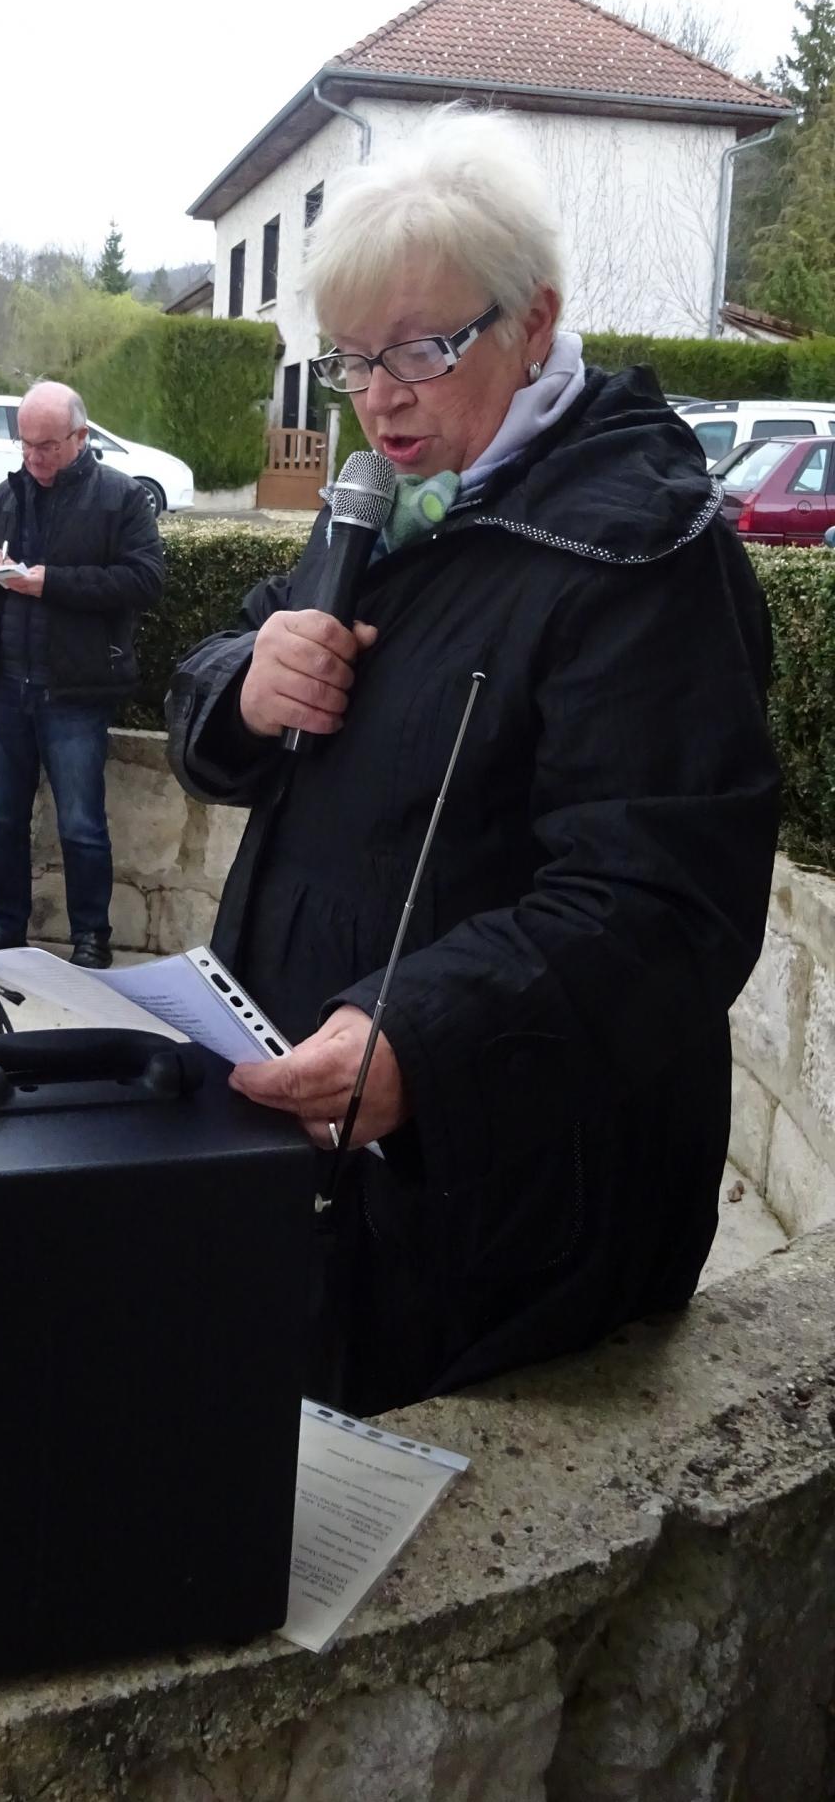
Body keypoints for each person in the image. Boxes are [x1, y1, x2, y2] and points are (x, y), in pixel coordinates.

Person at [168, 106, 780, 1416]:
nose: (381, 393)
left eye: (423, 347)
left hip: (499, 1228)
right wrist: (246, 681)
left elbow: (664, 906)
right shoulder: (406, 499)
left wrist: (421, 1042)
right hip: (346, 1176)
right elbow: (216, 689)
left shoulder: (640, 555)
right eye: (352, 359)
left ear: (535, 321)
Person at [0, 380, 164, 969]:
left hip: (75, 691)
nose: (34, 457)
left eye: (47, 445)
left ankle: (91, 937)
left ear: (81, 437)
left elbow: (145, 581)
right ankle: (4, 927)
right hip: (3, 685)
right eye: (25, 445)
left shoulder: (121, 497)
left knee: (81, 825)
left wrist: (50, 582)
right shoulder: (9, 493)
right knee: (0, 821)